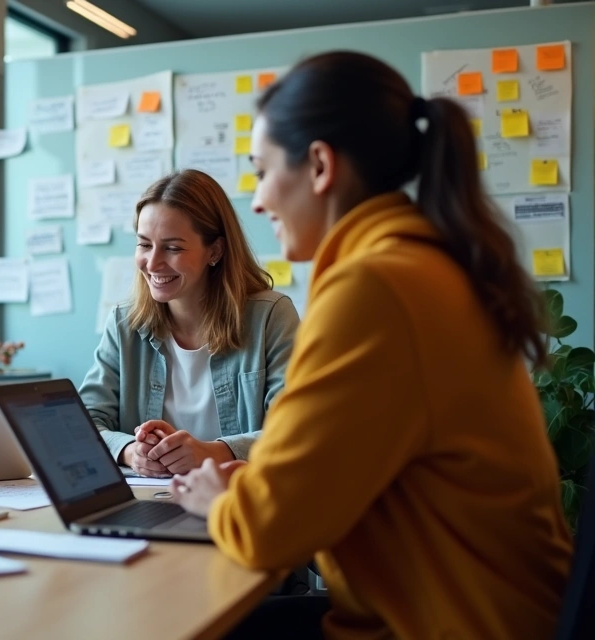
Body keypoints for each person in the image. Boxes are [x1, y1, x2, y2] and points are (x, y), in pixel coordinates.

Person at [173, 51, 573, 639]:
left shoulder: (376, 288)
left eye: (261, 171)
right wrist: (253, 489)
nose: (257, 201)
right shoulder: (420, 265)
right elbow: (323, 478)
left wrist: (218, 499)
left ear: (319, 165)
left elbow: (270, 532)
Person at [78, 170, 299, 477]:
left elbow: (295, 428)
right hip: (151, 498)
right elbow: (83, 423)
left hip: (238, 495)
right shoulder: (124, 324)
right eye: (144, 245)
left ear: (215, 251)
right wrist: (129, 452)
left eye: (173, 248)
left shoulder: (270, 316)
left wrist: (211, 453)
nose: (153, 263)